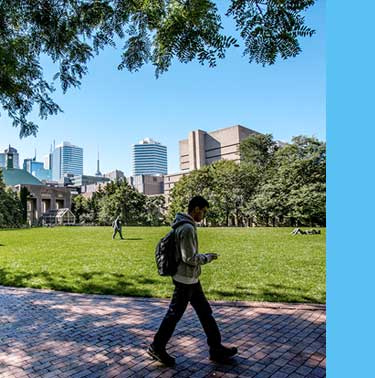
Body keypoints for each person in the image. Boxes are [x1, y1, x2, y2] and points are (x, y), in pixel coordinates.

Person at [148, 196, 238, 366]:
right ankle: (157, 346)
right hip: (185, 280)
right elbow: (189, 257)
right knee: (175, 315)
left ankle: (216, 348)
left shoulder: (183, 225)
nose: (203, 215)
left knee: (205, 313)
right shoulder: (188, 228)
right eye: (203, 211)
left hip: (191, 279)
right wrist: (207, 257)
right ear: (196, 208)